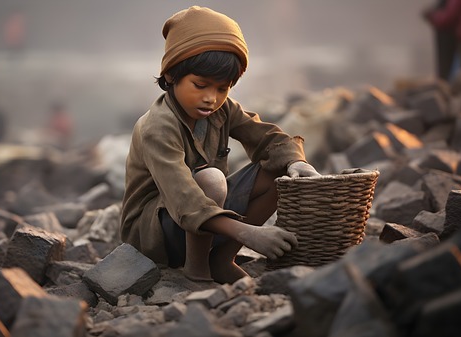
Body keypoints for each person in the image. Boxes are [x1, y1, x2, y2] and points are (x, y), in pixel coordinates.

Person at [120, 6, 321, 285]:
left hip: (204, 218)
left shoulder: (223, 110)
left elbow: (267, 138)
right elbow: (185, 199)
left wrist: (297, 163)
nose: (211, 99)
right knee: (212, 179)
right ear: (170, 76)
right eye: (200, 85)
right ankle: (197, 271)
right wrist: (249, 233)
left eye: (222, 88)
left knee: (278, 170)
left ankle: (221, 260)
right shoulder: (158, 127)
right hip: (158, 234)